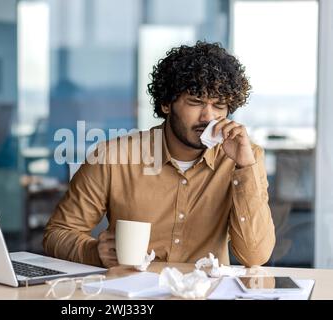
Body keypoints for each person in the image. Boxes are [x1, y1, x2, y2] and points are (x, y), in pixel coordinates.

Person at [43, 41, 275, 268]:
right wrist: (93, 251)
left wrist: (245, 167)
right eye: (195, 102)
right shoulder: (113, 157)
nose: (208, 117)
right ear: (166, 104)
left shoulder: (245, 157)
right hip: (132, 297)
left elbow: (255, 256)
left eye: (219, 105)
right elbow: (57, 234)